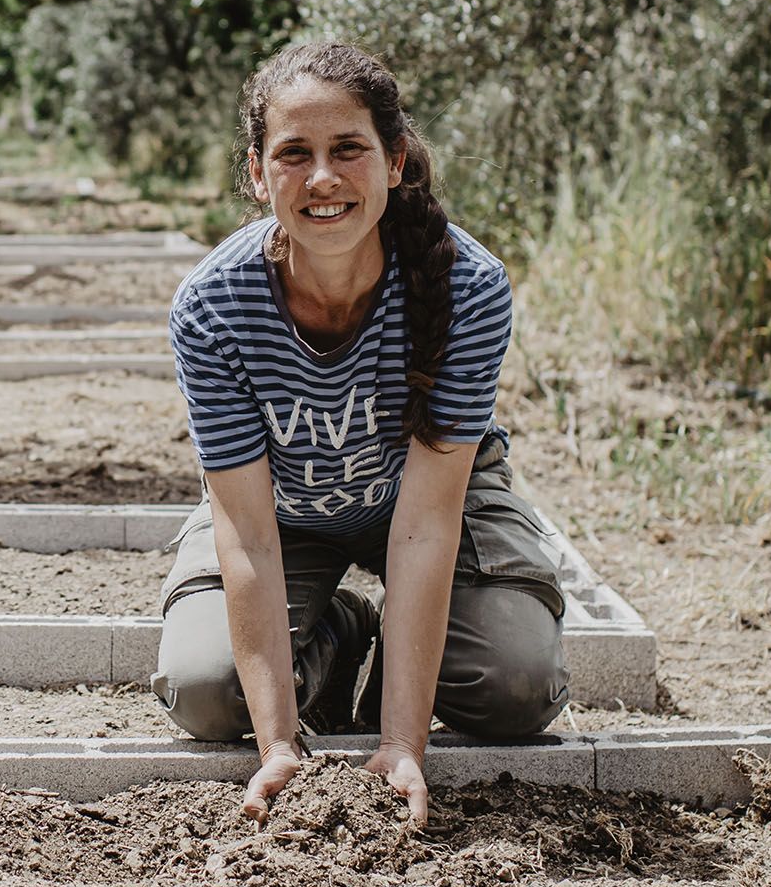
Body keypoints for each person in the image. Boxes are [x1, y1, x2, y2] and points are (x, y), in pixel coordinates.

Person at [152, 41, 569, 830]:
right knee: (207, 690)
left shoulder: (468, 287)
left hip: (430, 504)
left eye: (349, 149)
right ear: (256, 172)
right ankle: (340, 627)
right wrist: (278, 744)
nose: (322, 178)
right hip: (285, 516)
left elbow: (425, 525)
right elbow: (246, 533)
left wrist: (402, 741)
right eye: (293, 154)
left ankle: (400, 672)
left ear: (396, 159)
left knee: (518, 683)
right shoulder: (213, 306)